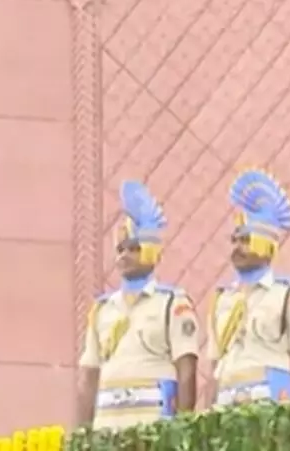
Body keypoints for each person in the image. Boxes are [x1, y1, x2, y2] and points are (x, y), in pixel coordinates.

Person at [76, 180, 199, 430]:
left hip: (153, 425)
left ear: (154, 253)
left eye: (134, 248)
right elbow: (89, 376)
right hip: (108, 426)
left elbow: (186, 368)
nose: (124, 255)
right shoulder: (102, 309)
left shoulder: (172, 303)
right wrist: (83, 432)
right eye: (121, 249)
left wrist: (184, 426)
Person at [208, 169, 290, 406]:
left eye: (246, 240)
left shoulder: (288, 293)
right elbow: (216, 364)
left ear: (267, 245)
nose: (237, 247)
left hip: (270, 402)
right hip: (226, 402)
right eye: (234, 240)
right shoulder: (223, 298)